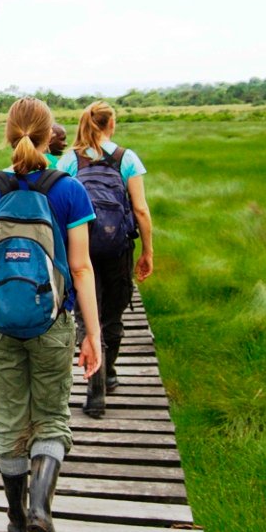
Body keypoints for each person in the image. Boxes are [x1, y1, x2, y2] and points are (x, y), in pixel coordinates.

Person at [0, 97, 102, 532]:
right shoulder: (69, 189)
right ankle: (41, 504)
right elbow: (81, 270)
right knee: (52, 417)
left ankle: (16, 519)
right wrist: (92, 335)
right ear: (49, 133)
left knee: (9, 420)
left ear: (8, 133)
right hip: (53, 323)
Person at [58, 101, 153, 417]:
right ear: (110, 124)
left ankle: (94, 391)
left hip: (79, 248)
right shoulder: (127, 158)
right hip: (118, 249)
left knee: (87, 317)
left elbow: (58, 206)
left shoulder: (70, 159)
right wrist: (148, 251)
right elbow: (140, 210)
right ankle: (109, 371)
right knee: (113, 313)